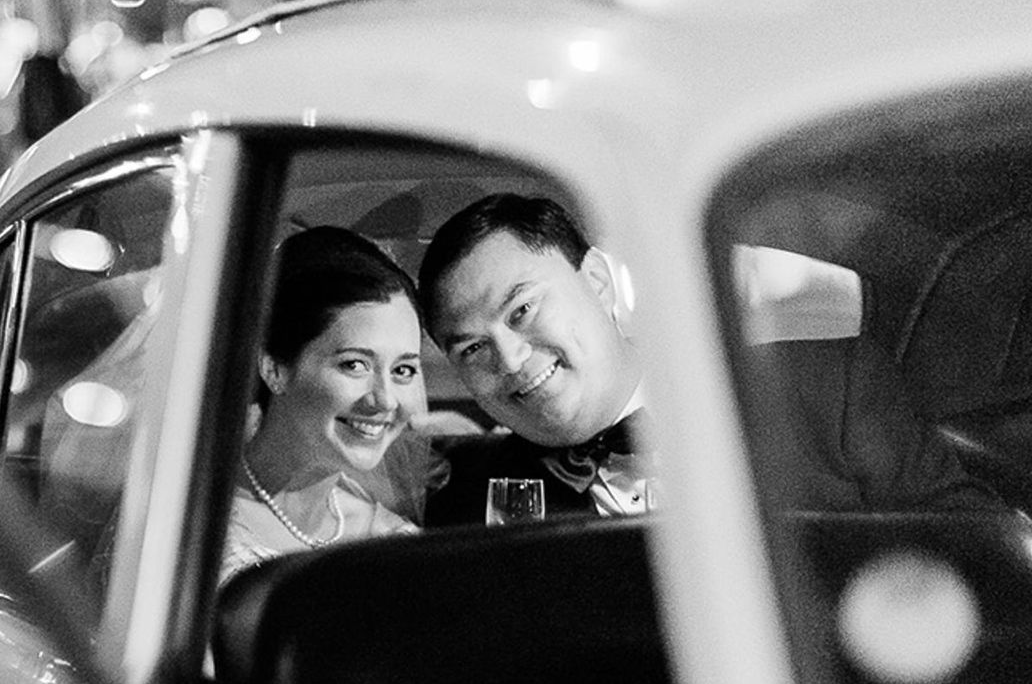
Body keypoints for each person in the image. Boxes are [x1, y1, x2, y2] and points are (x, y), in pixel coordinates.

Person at [416, 192, 1004, 526]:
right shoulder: (461, 490)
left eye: (521, 311)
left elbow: (972, 538)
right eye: (472, 349)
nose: (511, 358)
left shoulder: (828, 390)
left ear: (596, 281)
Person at [222, 226, 425, 581]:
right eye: (355, 365)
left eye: (403, 370)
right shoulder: (197, 534)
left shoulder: (397, 542)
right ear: (274, 368)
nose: (385, 399)